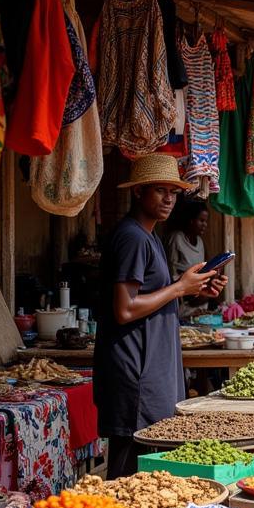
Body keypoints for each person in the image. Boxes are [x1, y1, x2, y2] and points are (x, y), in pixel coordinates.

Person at [94, 154, 224, 478]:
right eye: (160, 190)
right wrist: (180, 287)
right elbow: (125, 309)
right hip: (134, 372)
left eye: (174, 192)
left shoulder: (150, 236)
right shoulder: (132, 237)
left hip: (150, 369)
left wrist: (194, 289)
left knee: (146, 476)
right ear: (138, 192)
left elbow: (156, 300)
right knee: (126, 475)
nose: (169, 199)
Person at [166, 198, 209, 320]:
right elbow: (170, 271)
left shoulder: (200, 242)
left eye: (206, 221)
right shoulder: (176, 239)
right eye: (201, 221)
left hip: (199, 299)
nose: (204, 225)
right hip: (182, 298)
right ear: (191, 221)